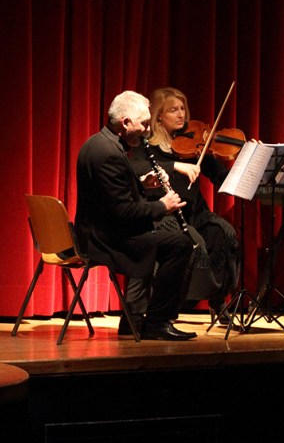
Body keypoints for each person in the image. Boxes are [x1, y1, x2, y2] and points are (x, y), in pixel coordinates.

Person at [75, 90, 197, 341]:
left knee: (165, 239)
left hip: (101, 231)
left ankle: (135, 319)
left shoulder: (98, 143)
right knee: (180, 244)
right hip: (104, 240)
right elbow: (124, 212)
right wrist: (163, 206)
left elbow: (111, 197)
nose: (147, 130)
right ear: (126, 122)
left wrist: (143, 184)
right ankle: (157, 322)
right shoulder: (109, 153)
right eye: (143, 124)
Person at [124, 87, 241, 322]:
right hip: (164, 215)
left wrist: (246, 160)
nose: (181, 115)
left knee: (224, 233)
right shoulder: (146, 146)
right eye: (173, 110)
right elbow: (135, 168)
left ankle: (217, 299)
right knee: (194, 242)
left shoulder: (194, 145)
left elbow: (221, 177)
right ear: (158, 116)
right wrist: (174, 166)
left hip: (195, 212)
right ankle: (170, 306)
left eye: (182, 109)